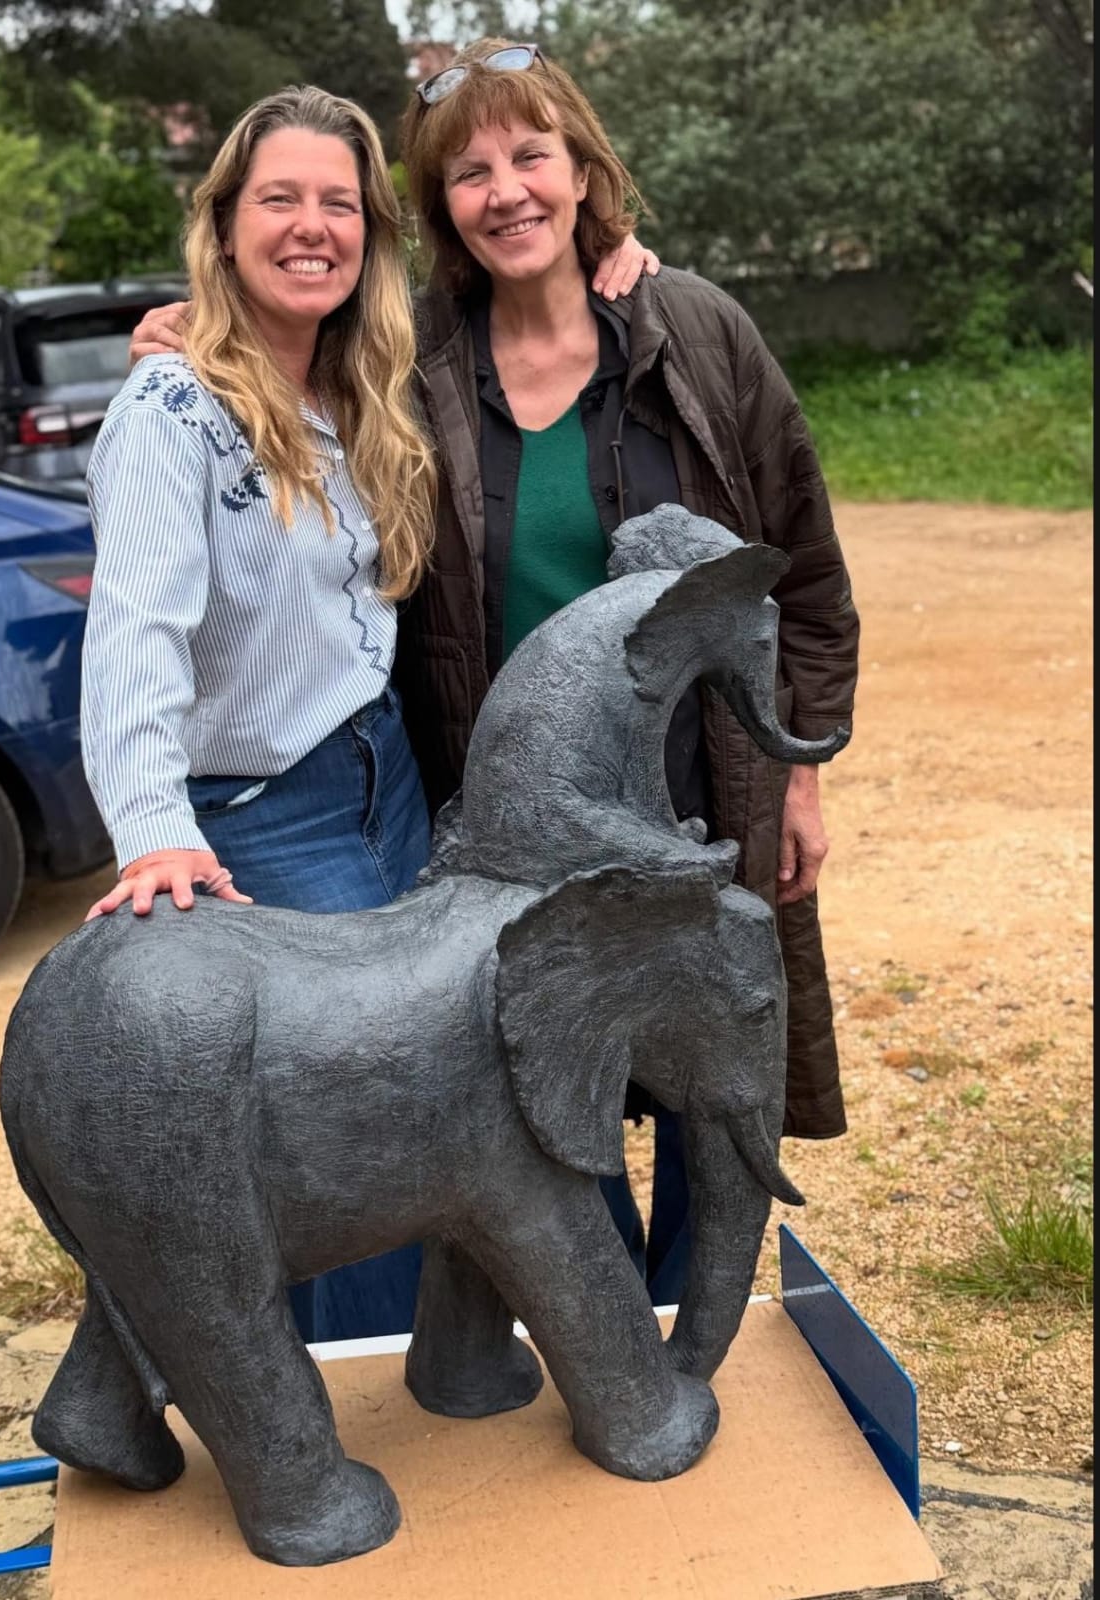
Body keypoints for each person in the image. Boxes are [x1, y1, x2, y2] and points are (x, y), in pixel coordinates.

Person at [130, 40, 859, 1306]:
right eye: (470, 172)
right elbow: (276, 363)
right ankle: (603, 1337)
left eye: (532, 156)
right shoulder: (407, 367)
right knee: (537, 1077)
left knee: (712, 1078)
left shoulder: (694, 331)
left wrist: (799, 775)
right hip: (507, 819)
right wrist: (192, 330)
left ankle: (700, 1335)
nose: (507, 190)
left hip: (699, 792)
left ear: (582, 169)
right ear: (440, 208)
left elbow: (801, 565)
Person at [97, 82, 653, 1343]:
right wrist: (152, 829)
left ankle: (510, 1355)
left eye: (339, 204)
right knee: (366, 1122)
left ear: (373, 233)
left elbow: (523, 273)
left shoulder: (361, 383)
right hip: (267, 817)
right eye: (279, 200)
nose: (313, 227)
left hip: (393, 787)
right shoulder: (171, 412)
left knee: (464, 1073)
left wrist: (616, 255)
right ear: (223, 224)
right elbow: (133, 633)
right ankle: (377, 1383)